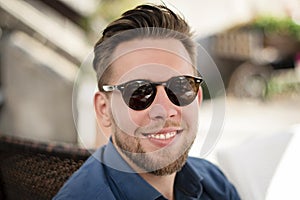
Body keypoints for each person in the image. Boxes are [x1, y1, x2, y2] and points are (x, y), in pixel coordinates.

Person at [54, 4, 240, 200]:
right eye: (139, 91)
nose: (165, 110)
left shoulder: (215, 183)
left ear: (197, 98)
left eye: (180, 87)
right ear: (104, 110)